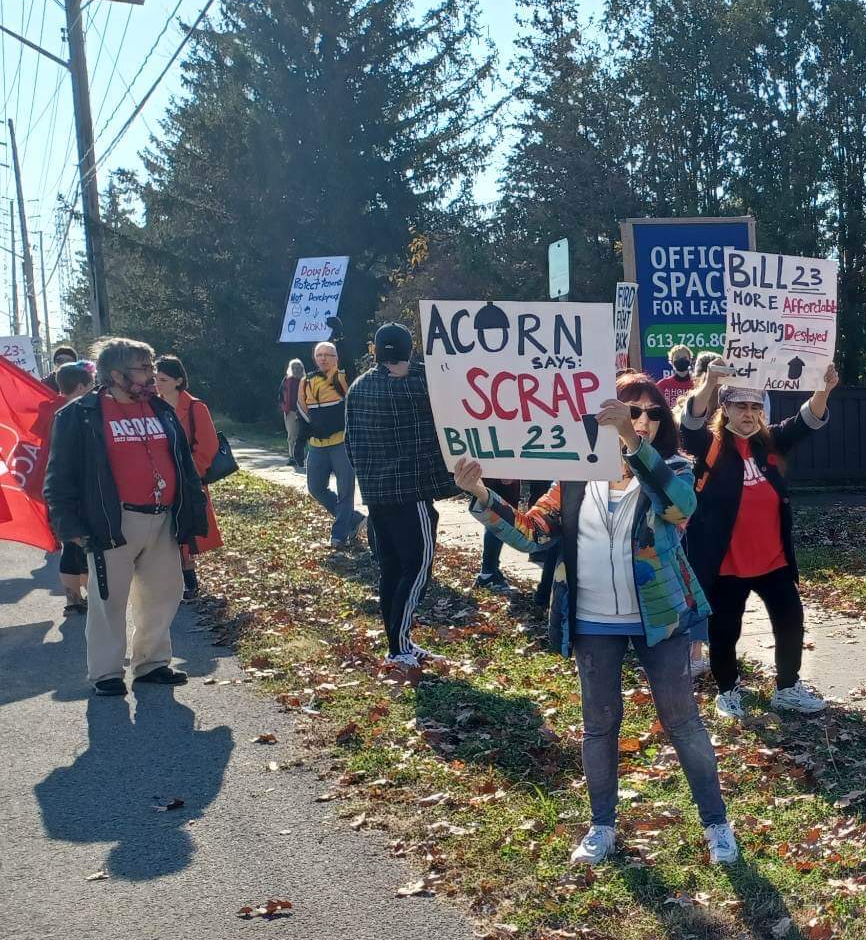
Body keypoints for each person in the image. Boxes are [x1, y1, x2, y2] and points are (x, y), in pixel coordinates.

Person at [455, 375, 736, 868]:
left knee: (682, 721)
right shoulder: (573, 475)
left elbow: (680, 508)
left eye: (652, 413)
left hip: (661, 617)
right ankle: (603, 825)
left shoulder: (673, 469)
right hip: (591, 620)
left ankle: (717, 825)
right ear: (600, 415)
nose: (643, 419)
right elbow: (530, 535)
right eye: (632, 410)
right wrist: (481, 493)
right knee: (599, 725)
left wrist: (630, 444)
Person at [43, 337, 207, 696]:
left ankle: (151, 664)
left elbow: (184, 466)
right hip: (111, 522)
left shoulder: (161, 410)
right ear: (115, 374)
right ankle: (106, 673)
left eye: (152, 367)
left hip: (164, 519)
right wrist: (69, 527)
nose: (152, 376)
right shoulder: (79, 415)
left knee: (164, 593)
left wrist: (192, 515)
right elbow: (58, 478)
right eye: (144, 369)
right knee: (108, 600)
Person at [679, 360, 838, 720]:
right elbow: (689, 424)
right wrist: (709, 384)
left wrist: (823, 389)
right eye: (740, 406)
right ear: (726, 408)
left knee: (790, 620)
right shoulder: (712, 446)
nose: (748, 414)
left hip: (773, 561)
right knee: (724, 630)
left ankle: (787, 688)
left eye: (755, 407)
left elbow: (806, 421)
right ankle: (728, 690)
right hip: (726, 564)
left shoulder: (770, 443)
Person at [346, 323, 454, 672]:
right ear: (410, 350)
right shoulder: (421, 385)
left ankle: (399, 642)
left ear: (376, 351)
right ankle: (398, 647)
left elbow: (350, 442)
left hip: (376, 494)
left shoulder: (359, 387)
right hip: (412, 492)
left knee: (391, 569)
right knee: (418, 567)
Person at [152, 356, 224, 602]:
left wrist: (190, 472)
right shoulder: (152, 405)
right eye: (155, 379)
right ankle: (174, 581)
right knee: (165, 530)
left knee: (186, 528)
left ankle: (190, 583)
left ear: (178, 380)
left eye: (163, 379)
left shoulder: (195, 407)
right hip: (160, 479)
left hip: (189, 478)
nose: (157, 384)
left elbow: (208, 444)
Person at [298, 341, 362, 549]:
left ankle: (339, 535)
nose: (323, 358)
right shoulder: (306, 381)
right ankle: (354, 519)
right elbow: (302, 412)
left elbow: (351, 370)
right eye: (319, 355)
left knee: (345, 492)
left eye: (328, 355)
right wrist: (300, 442)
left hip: (341, 443)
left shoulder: (341, 378)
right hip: (317, 445)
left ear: (336, 358)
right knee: (316, 488)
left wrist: (342, 339)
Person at [49, 361, 95, 615]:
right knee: (87, 544)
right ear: (80, 386)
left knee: (69, 545)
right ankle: (93, 597)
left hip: (54, 487)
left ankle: (72, 600)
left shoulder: (46, 407)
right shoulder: (79, 411)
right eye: (91, 384)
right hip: (79, 486)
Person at [280, 357, 308, 467]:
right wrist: (285, 409)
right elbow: (281, 396)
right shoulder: (287, 381)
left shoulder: (305, 381)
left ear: (302, 368)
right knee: (291, 436)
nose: (296, 370)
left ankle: (302, 457)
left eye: (298, 367)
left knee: (302, 436)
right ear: (290, 368)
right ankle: (292, 457)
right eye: (294, 367)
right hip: (290, 412)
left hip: (303, 412)